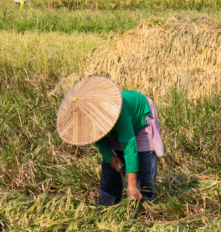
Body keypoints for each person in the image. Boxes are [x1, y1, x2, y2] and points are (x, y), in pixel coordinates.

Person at [54, 76, 164, 205]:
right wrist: (110, 156)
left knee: (143, 169)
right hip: (120, 128)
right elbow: (97, 138)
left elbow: (129, 145)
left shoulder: (120, 111)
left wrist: (132, 183)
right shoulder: (87, 119)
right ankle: (106, 207)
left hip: (139, 118)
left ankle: (146, 207)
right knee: (111, 169)